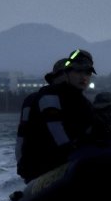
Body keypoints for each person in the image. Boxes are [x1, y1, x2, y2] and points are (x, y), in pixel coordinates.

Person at [16, 48, 97, 182]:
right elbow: (53, 131)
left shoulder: (84, 104)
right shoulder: (44, 98)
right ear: (67, 74)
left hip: (69, 162)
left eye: (87, 73)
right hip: (44, 165)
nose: (83, 77)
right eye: (77, 71)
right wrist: (21, 164)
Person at [15, 57, 67, 174]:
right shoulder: (33, 100)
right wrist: (21, 163)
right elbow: (22, 135)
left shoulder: (79, 103)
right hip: (42, 166)